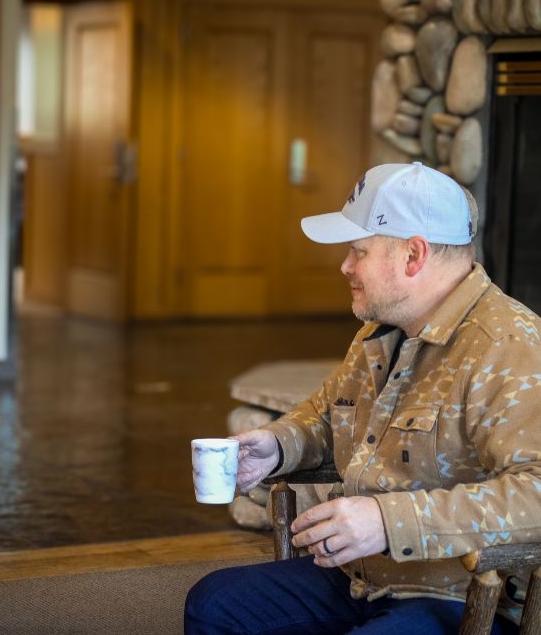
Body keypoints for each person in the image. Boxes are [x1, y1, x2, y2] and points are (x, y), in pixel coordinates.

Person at [185, 162, 540, 634]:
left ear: (414, 255)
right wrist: (278, 444)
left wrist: (387, 520)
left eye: (358, 251)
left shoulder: (509, 345)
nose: (345, 266)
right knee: (215, 605)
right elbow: (330, 415)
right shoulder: (382, 332)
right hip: (362, 578)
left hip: (463, 598)